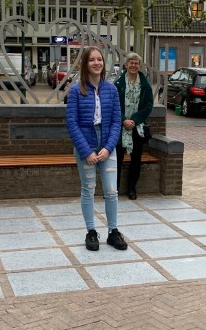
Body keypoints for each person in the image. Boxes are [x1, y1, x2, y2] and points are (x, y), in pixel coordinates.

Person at [66, 46, 126, 251]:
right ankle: (91, 232)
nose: (97, 63)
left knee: (111, 190)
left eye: (99, 59)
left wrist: (109, 148)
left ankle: (113, 232)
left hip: (107, 145)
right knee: (88, 190)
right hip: (86, 145)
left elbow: (117, 120)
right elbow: (72, 124)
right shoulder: (76, 90)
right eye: (92, 60)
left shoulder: (112, 89)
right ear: (85, 63)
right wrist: (86, 151)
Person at [114, 53, 154, 200]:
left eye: (136, 63)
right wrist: (124, 120)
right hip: (120, 128)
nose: (133, 65)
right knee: (117, 160)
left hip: (137, 129)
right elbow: (114, 105)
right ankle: (115, 190)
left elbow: (148, 106)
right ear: (126, 65)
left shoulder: (145, 85)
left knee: (136, 160)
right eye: (131, 63)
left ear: (139, 66)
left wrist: (135, 121)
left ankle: (132, 188)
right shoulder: (118, 84)